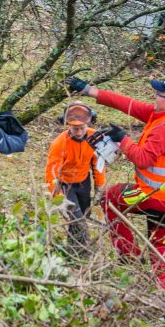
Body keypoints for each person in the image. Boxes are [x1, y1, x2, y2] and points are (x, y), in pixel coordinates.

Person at [66, 75, 165, 290]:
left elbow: (143, 159)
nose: (154, 97)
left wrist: (122, 139)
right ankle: (162, 294)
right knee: (160, 243)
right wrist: (89, 90)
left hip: (153, 196)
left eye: (159, 94)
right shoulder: (164, 115)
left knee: (110, 199)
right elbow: (129, 104)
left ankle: (128, 256)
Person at [44, 101, 106, 252]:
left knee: (82, 216)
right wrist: (58, 197)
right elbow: (51, 173)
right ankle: (83, 253)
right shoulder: (59, 143)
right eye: (75, 128)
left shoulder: (94, 137)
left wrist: (100, 186)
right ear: (67, 125)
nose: (79, 132)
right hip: (65, 184)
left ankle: (72, 250)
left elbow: (99, 163)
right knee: (77, 220)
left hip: (84, 182)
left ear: (88, 124)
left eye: (82, 128)